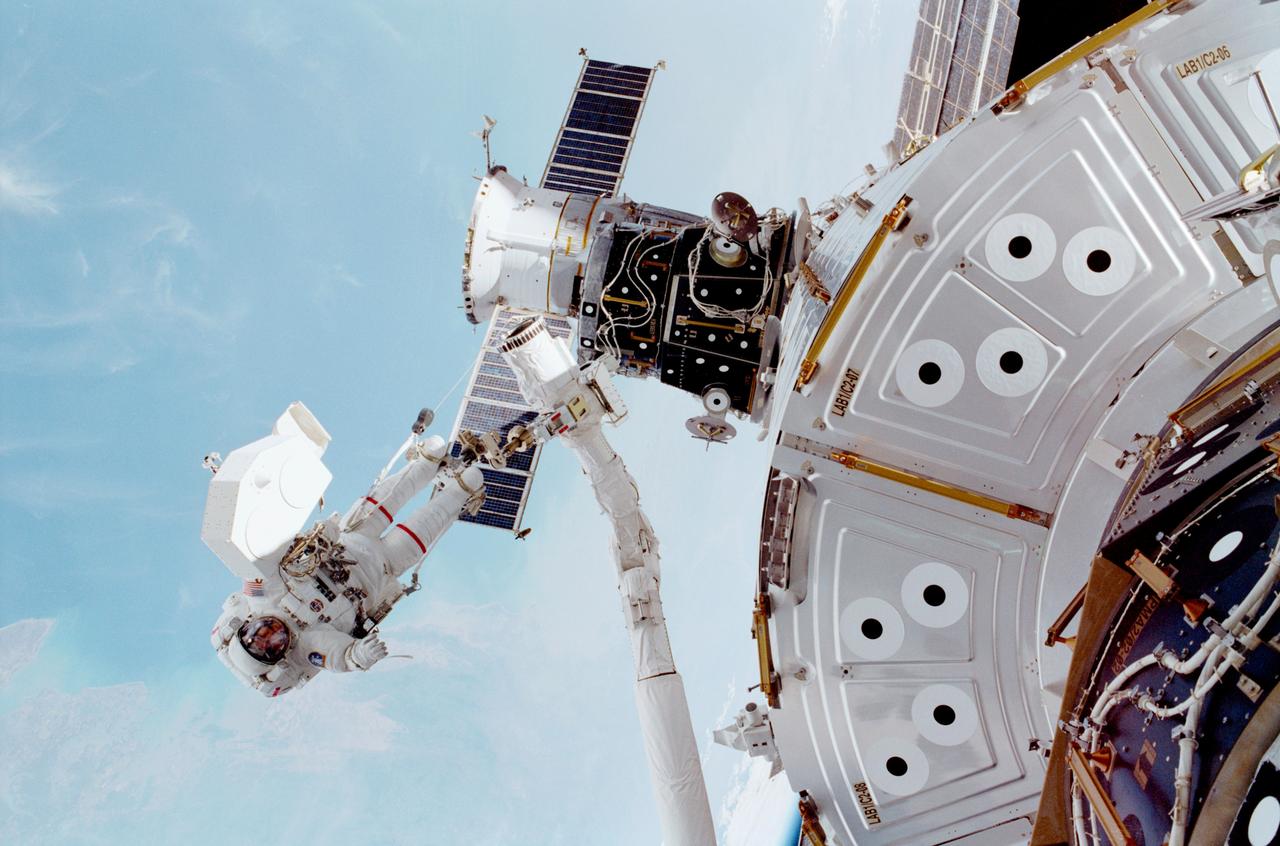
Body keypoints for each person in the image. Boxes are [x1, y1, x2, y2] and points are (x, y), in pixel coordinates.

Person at [210, 435, 484, 697]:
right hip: (383, 568)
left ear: (248, 624)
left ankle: (427, 462)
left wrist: (243, 498)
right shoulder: (308, 645)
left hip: (353, 534)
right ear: (280, 655)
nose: (269, 633)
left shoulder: (260, 597)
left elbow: (257, 560)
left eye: (257, 633)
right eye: (269, 645)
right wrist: (360, 656)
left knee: (404, 481)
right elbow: (340, 656)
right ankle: (463, 490)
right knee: (450, 501)